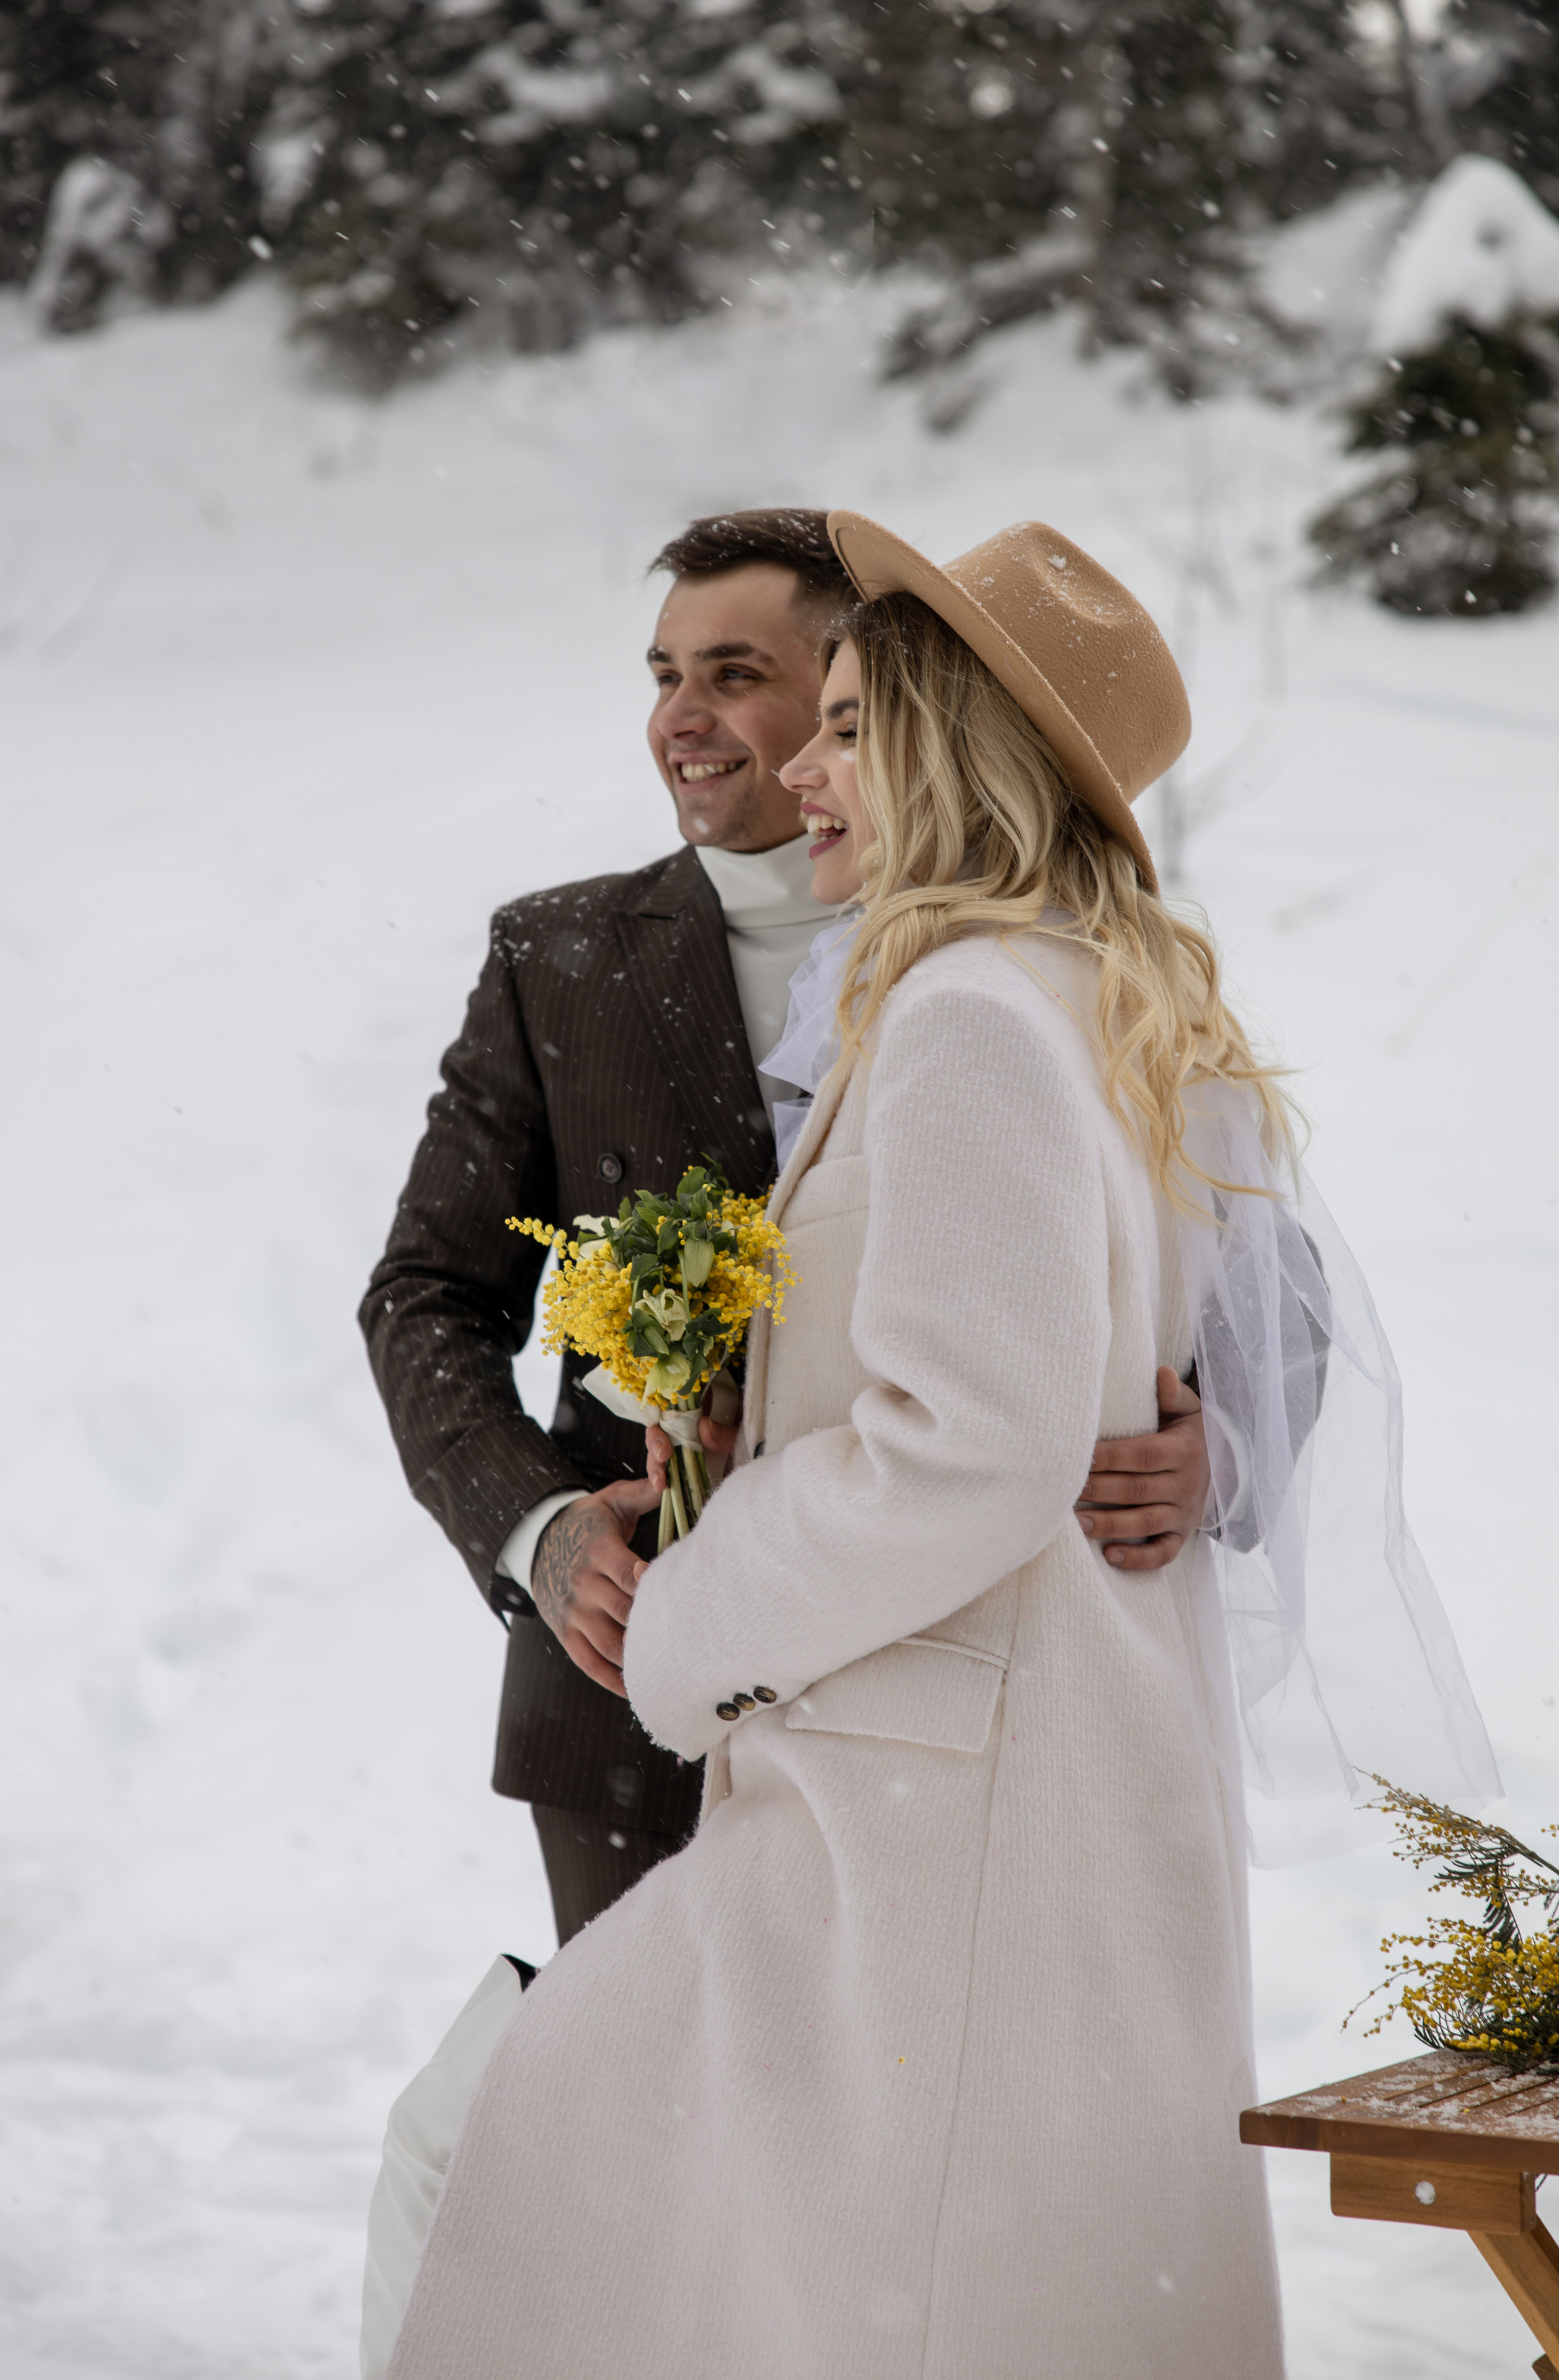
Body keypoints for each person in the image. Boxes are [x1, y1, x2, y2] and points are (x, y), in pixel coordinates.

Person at [364, 510, 1338, 2380]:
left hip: (900, 1755)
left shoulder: (971, 1003)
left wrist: (699, 1607)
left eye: (823, 709)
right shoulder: (1108, 988)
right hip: (931, 1747)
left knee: (592, 2224)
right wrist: (584, 1527)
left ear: (949, 747)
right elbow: (433, 1295)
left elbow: (993, 1424)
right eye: (677, 675)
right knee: (797, 2274)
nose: (775, 744)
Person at [360, 507, 1212, 1949]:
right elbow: (424, 1295)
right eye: (659, 674)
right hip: (631, 1681)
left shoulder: (1045, 968)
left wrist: (1207, 1447)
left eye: (735, 675)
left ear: (862, 692)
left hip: (946, 1684)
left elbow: (1213, 1285)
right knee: (627, 2141)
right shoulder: (555, 958)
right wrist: (544, 1531)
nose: (680, 722)